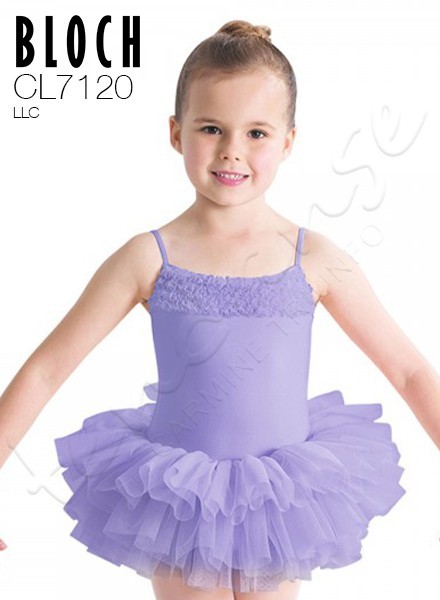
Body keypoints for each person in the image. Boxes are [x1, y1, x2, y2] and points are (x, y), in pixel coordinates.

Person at [1, 18, 440, 600]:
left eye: (257, 132)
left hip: (281, 498)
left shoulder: (314, 258)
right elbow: (46, 369)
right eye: (212, 128)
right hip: (182, 499)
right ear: (176, 132)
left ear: (288, 141)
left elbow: (409, 371)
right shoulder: (147, 257)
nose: (233, 150)